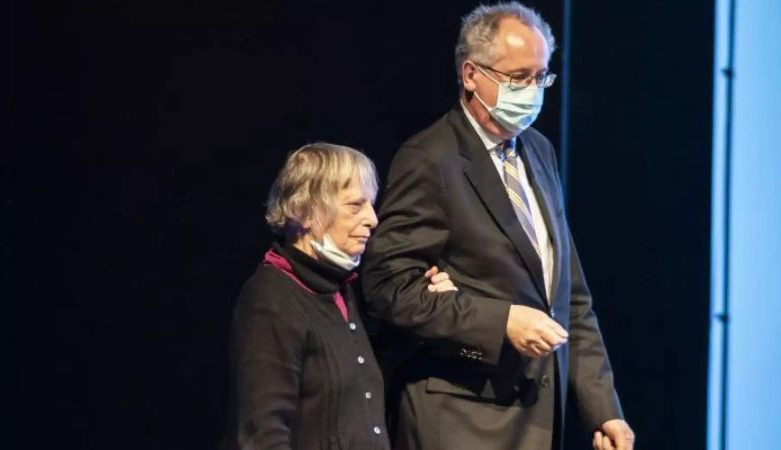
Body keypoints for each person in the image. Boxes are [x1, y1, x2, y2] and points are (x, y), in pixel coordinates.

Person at [361, 3, 635, 450]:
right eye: (517, 78)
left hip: (536, 422)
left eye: (540, 77)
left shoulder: (539, 152)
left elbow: (569, 296)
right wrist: (500, 320)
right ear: (471, 75)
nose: (532, 90)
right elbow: (387, 286)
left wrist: (602, 409)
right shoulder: (431, 159)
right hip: (461, 420)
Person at [221, 143, 456, 450]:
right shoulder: (271, 297)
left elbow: (360, 381)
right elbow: (260, 433)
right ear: (305, 211)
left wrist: (428, 306)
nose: (373, 219)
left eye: (371, 204)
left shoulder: (338, 289)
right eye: (355, 205)